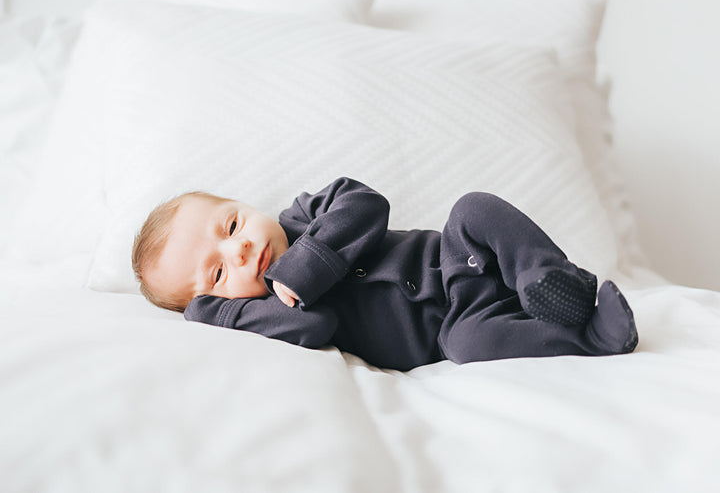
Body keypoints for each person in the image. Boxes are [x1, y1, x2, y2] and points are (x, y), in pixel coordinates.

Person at [132, 177, 638, 371]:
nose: (239, 248)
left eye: (232, 224)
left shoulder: (305, 215)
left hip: (458, 258)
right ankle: (590, 336)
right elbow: (315, 328)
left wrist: (305, 265)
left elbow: (367, 203)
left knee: (473, 206)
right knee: (470, 346)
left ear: (245, 203)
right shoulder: (268, 312)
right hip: (450, 328)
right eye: (217, 273)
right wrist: (217, 314)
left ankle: (546, 278)